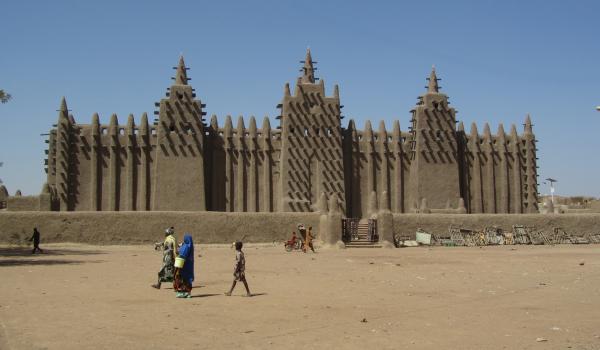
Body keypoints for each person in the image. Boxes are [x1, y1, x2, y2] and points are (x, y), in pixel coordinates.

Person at [173, 234, 194, 298]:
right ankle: (188, 293)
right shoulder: (190, 246)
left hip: (184, 264)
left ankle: (183, 293)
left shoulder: (186, 246)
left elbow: (182, 255)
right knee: (188, 278)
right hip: (190, 265)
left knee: (182, 278)